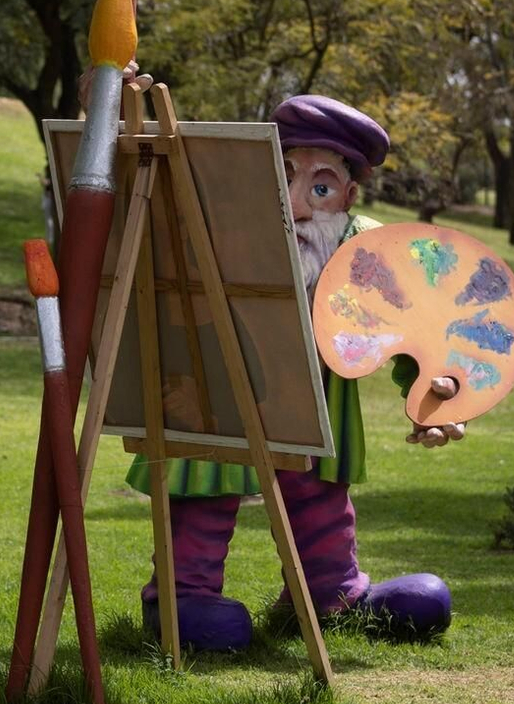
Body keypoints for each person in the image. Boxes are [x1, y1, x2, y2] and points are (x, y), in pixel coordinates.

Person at [120, 95, 462, 651]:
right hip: (219, 405)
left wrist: (438, 396)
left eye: (321, 189)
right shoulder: (221, 230)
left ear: (348, 198)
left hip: (312, 411)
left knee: (318, 498)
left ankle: (332, 597)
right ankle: (182, 597)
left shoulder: (360, 246)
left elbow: (414, 326)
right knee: (205, 493)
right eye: (283, 179)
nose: (298, 206)